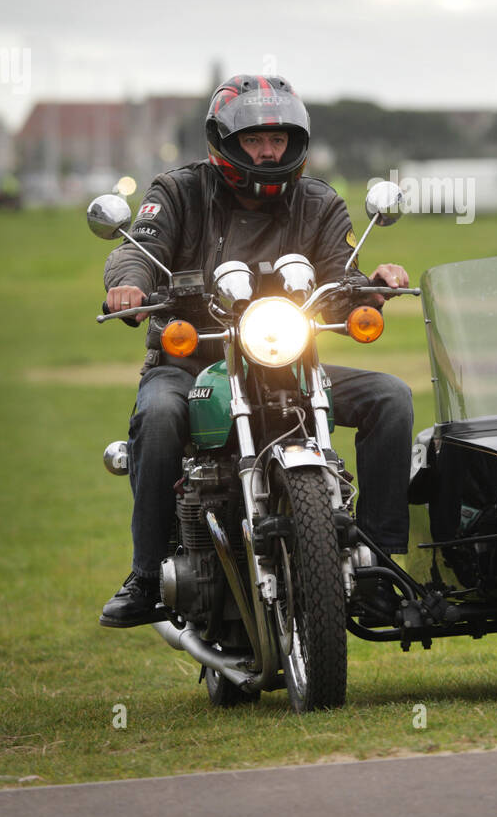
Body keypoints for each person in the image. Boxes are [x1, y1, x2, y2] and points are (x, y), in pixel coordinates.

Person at [99, 73, 413, 627]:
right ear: (225, 141)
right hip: (193, 359)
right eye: (253, 140)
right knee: (161, 414)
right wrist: (128, 284)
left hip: (290, 360)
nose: (268, 151)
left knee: (390, 398)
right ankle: (146, 574)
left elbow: (340, 278)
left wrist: (373, 285)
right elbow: (138, 254)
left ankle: (377, 563)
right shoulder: (178, 191)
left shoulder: (317, 201)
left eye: (278, 140)